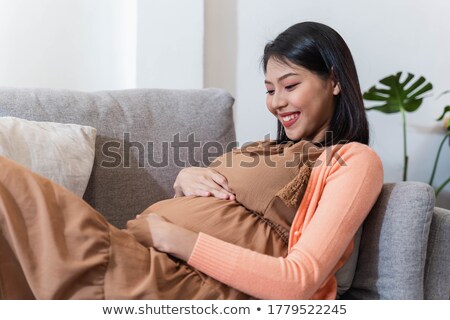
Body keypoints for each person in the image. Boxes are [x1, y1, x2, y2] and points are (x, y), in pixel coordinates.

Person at [0, 21, 383, 300]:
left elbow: (299, 280)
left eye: (290, 85)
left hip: (174, 281)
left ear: (333, 81)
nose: (276, 102)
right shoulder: (266, 149)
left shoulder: (352, 160)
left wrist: (173, 236)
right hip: (134, 251)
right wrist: (186, 178)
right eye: (269, 89)